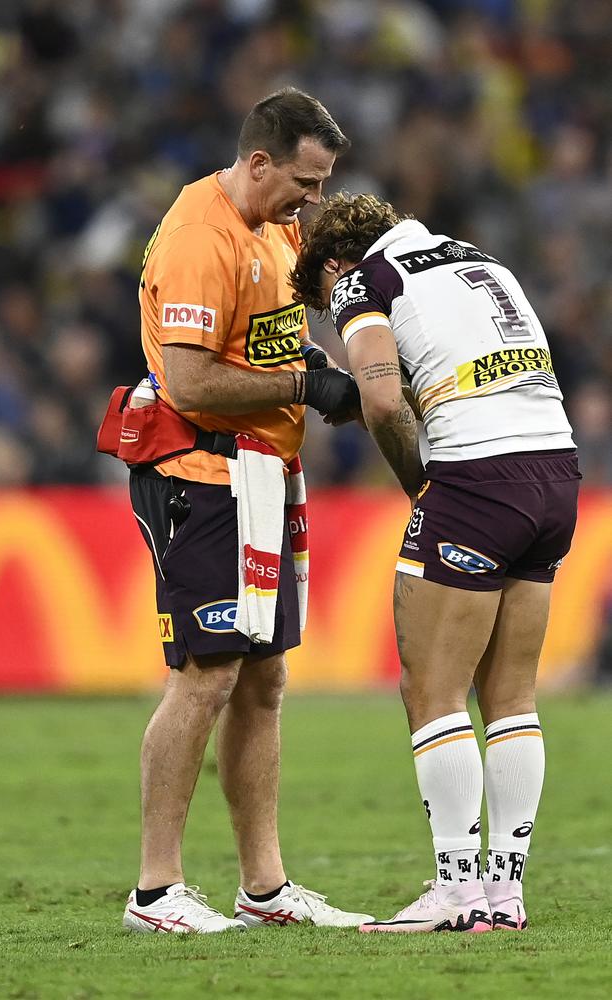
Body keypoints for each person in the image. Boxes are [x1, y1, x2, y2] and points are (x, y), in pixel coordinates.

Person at [290, 192, 580, 933]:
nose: (333, 312)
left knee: (433, 689)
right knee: (512, 697)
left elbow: (384, 402)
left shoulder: (363, 281)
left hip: (476, 477)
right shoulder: (479, 258)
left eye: (323, 300)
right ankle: (504, 893)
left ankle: (454, 893)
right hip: (554, 471)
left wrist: (420, 485)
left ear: (333, 265)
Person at [121, 90, 373, 934]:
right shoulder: (202, 236)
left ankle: (263, 889)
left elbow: (263, 336)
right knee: (207, 675)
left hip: (264, 474)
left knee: (264, 677)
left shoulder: (279, 226)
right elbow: (191, 381)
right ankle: (156, 891)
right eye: (304, 180)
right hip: (198, 470)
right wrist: (307, 384)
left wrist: (317, 362)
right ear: (259, 161)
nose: (314, 199)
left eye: (324, 182)